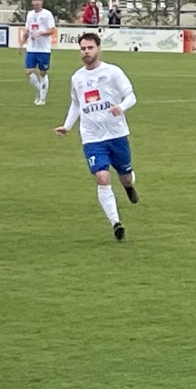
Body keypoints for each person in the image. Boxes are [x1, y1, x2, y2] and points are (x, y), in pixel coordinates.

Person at [54, 32, 138, 240]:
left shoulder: (113, 72)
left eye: (90, 48)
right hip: (92, 137)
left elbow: (131, 96)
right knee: (102, 177)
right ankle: (116, 223)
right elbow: (76, 103)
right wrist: (67, 125)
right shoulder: (77, 78)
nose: (86, 52)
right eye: (83, 48)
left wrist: (121, 107)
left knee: (126, 176)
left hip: (117, 134)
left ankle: (128, 186)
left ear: (98, 48)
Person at [20, 0, 58, 106]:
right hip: (32, 48)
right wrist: (22, 44)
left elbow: (52, 30)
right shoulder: (30, 14)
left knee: (42, 73)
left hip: (44, 49)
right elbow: (27, 30)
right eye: (35, 0)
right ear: (32, 2)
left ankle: (42, 98)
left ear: (42, 2)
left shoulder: (47, 14)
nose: (37, 2)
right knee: (29, 71)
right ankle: (40, 90)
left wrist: (41, 33)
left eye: (39, 0)